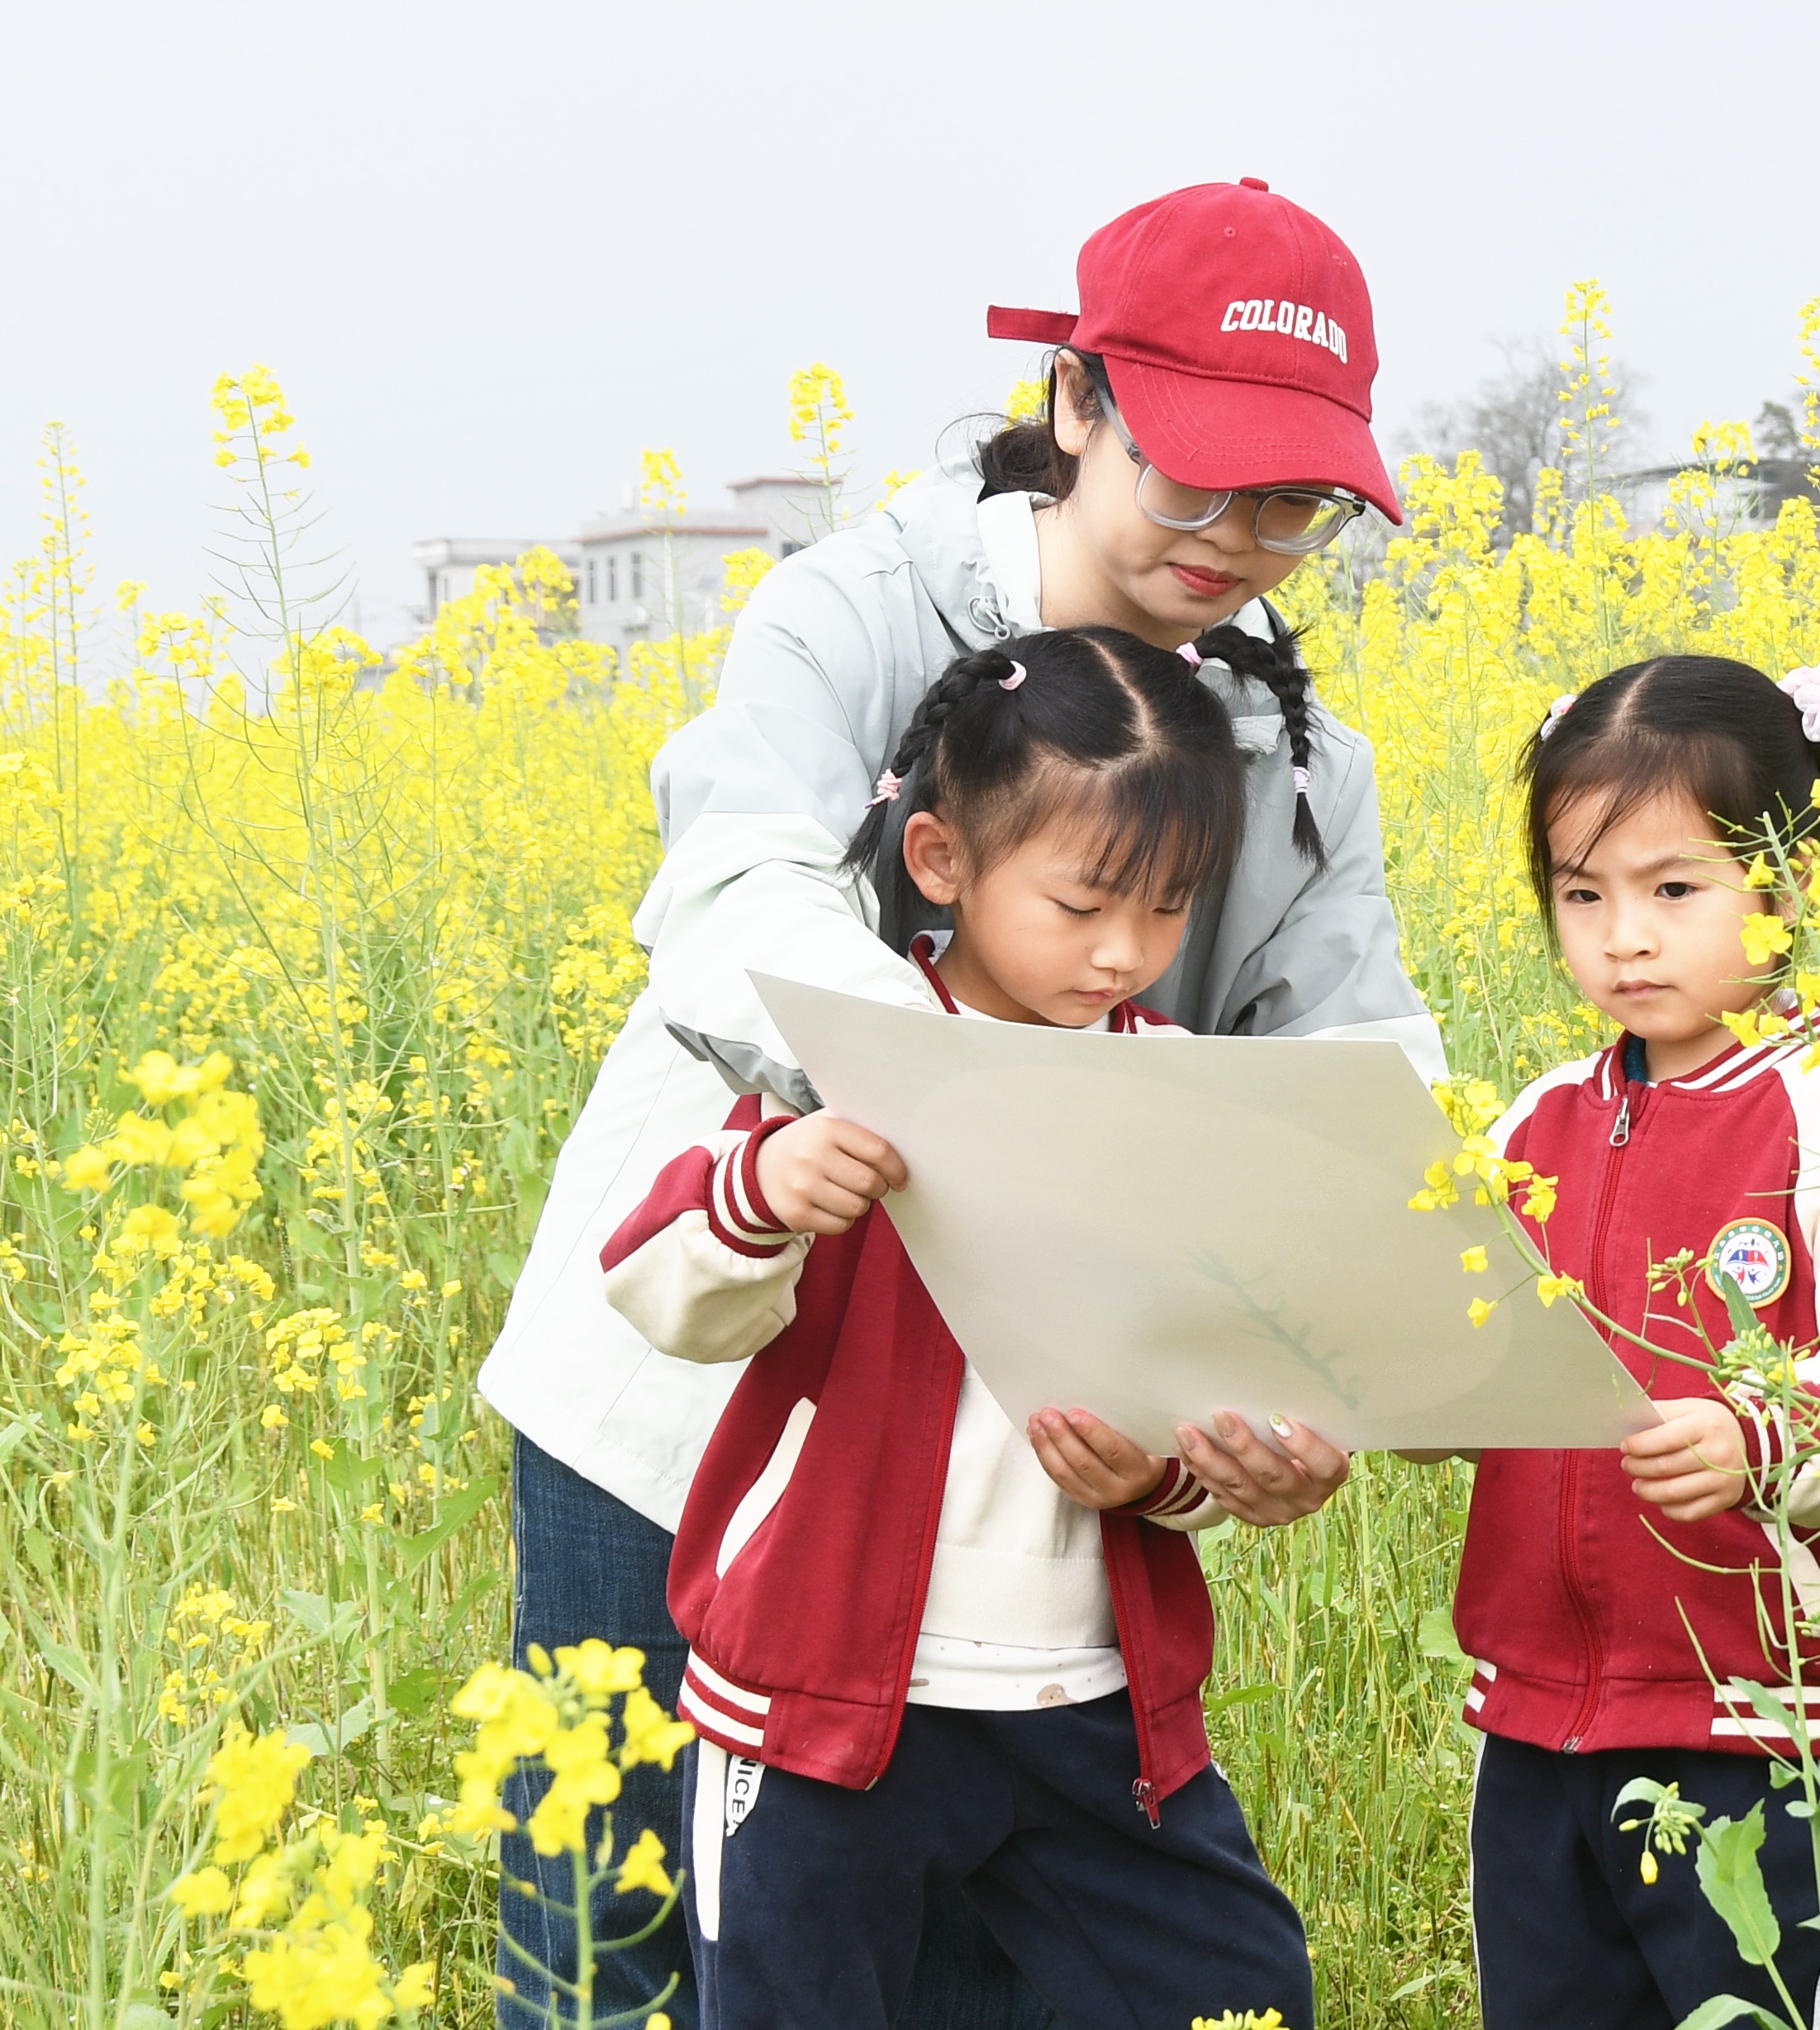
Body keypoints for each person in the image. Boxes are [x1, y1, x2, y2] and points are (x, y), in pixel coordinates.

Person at [473, 177, 1436, 2028]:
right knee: (608, 1962)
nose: (1240, 542)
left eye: (1292, 505)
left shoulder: (1299, 753)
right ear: (1076, 402)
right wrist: (964, 1108)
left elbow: (1354, 1080)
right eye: (1198, 479)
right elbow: (738, 887)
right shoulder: (853, 608)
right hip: (691, 1395)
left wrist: (1320, 1379)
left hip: (996, 1521)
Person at [600, 627, 1326, 2029]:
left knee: (1239, 1992)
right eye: (1083, 903)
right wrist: (767, 1189)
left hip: (1091, 1701)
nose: (1124, 951)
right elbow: (660, 1296)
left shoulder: (1180, 1098)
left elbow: (1219, 1386)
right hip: (816, 1699)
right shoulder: (850, 1061)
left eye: (1169, 908)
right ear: (940, 860)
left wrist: (1167, 1474)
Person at [1438, 653, 1820, 2028]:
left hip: (1766, 1732)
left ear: (1788, 885)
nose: (1622, 938)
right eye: (1581, 895)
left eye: (1673, 891)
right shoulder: (1536, 1120)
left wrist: (1761, 1442)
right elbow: (1455, 1342)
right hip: (1537, 1721)